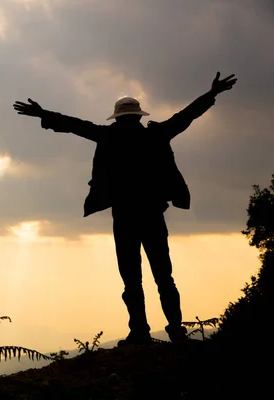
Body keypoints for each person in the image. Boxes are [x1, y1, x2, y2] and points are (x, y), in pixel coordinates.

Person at [13, 72, 237, 345]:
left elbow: (74, 125)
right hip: (153, 215)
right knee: (164, 276)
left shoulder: (107, 137)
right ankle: (176, 330)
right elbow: (186, 116)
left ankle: (139, 332)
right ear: (140, 116)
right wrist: (211, 94)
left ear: (117, 118)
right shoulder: (157, 135)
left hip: (124, 217)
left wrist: (41, 113)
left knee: (132, 279)